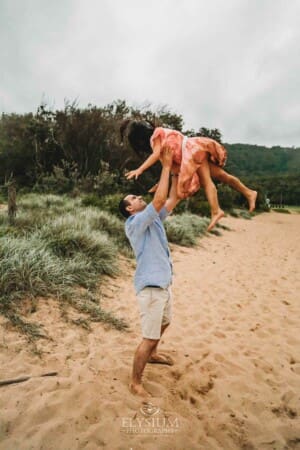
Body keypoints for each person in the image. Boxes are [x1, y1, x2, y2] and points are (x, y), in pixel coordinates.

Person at [119, 146, 179, 398]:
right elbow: (157, 201)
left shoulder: (152, 218)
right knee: (149, 336)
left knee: (165, 322)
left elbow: (172, 200)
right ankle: (135, 382)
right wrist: (165, 165)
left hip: (162, 285)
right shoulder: (134, 223)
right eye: (133, 198)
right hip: (151, 288)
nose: (137, 197)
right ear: (130, 209)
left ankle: (153, 354)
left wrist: (175, 173)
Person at [121, 120, 257, 231]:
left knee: (206, 182)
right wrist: (160, 184)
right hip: (192, 152)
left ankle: (216, 211)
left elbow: (156, 156)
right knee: (222, 175)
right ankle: (249, 193)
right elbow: (168, 167)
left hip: (192, 151)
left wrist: (140, 169)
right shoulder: (162, 139)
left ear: (140, 139)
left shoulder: (156, 136)